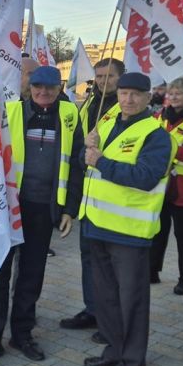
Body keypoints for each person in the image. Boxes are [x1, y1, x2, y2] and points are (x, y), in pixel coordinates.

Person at [0, 65, 83, 366]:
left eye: (50, 88)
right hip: (8, 208)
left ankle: (21, 333)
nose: (43, 93)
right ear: (28, 88)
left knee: (31, 276)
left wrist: (70, 209)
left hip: (44, 210)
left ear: (59, 89)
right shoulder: (11, 112)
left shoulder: (70, 117)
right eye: (37, 87)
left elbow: (78, 165)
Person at [79, 72, 175, 366]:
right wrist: (87, 150)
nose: (128, 99)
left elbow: (145, 176)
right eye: (123, 93)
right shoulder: (107, 123)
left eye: (136, 94)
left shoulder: (156, 134)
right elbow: (89, 162)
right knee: (106, 298)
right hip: (97, 224)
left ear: (149, 97)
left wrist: (100, 160)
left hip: (129, 232)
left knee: (131, 302)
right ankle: (115, 351)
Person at [61, 58, 125, 333]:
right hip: (89, 194)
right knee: (89, 256)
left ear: (121, 78)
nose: (103, 81)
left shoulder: (127, 108)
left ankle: (111, 320)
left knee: (112, 264)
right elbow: (79, 145)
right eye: (99, 76)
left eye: (109, 76)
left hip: (115, 197)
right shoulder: (88, 104)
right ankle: (93, 310)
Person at [150, 76, 183, 293]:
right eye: (170, 93)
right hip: (158, 185)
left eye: (178, 93)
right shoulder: (158, 117)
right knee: (156, 231)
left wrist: (168, 146)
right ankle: (152, 270)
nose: (172, 97)